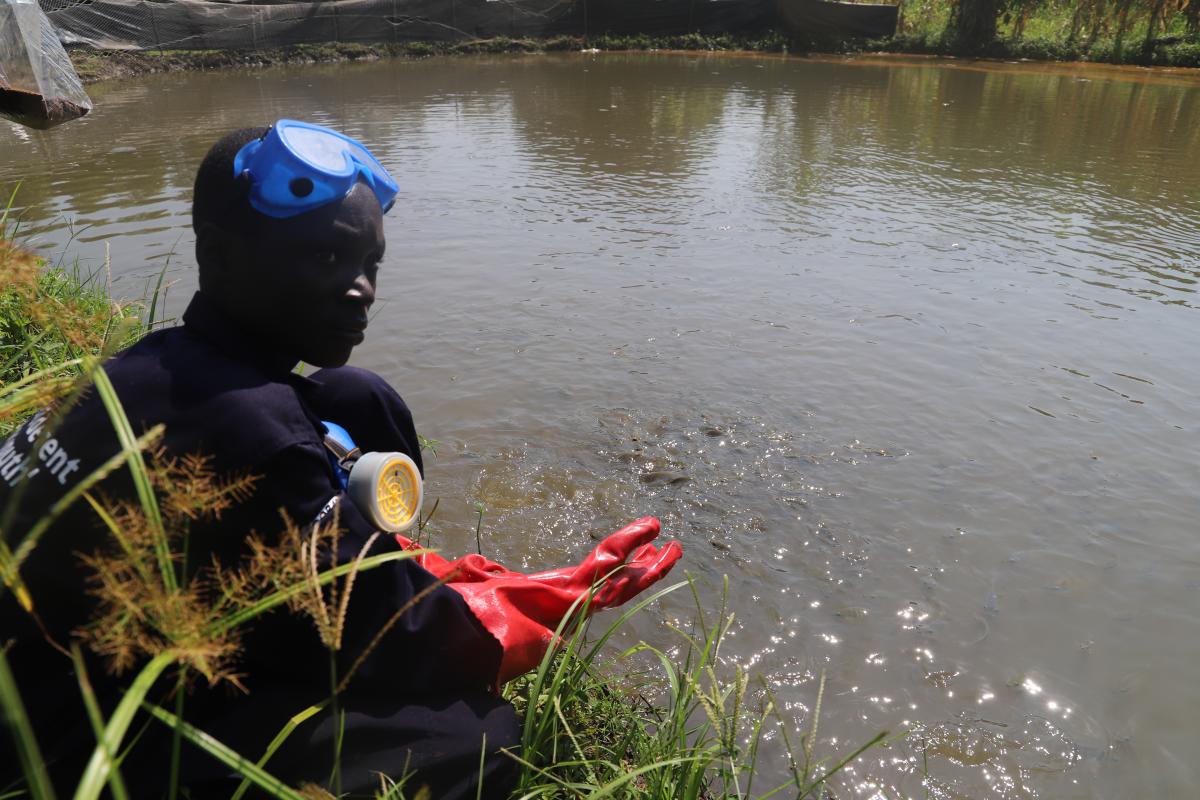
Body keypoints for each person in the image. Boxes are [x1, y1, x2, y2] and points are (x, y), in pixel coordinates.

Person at [0, 121, 681, 798]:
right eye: (328, 259)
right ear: (223, 253)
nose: (363, 289)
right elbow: (405, 648)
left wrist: (410, 572)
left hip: (81, 643)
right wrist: (530, 611)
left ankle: (371, 559)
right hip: (68, 746)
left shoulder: (153, 362)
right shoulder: (258, 433)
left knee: (357, 397)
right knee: (477, 737)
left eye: (370, 265)